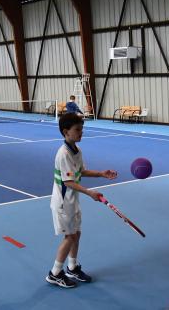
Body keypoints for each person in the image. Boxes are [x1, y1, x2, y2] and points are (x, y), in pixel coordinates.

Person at [46, 113, 117, 288]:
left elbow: (80, 172)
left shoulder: (76, 151)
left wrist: (101, 173)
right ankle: (54, 273)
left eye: (82, 129)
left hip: (72, 201)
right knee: (70, 237)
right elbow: (68, 181)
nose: (81, 132)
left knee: (76, 234)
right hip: (63, 203)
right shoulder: (63, 154)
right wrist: (89, 192)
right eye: (77, 130)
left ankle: (72, 267)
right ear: (65, 132)